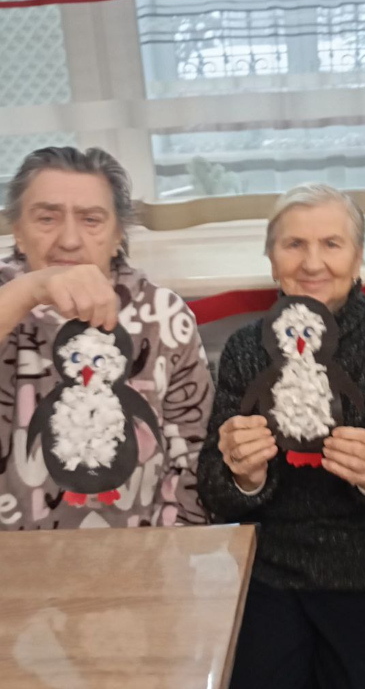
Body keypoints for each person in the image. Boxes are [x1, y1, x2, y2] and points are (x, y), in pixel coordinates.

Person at [197, 184, 365, 689]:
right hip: (271, 572)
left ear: (358, 256)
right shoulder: (246, 349)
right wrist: (245, 477)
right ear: (271, 258)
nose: (312, 263)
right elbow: (215, 492)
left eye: (331, 244)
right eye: (294, 245)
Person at [0, 146, 213, 530]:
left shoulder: (164, 317)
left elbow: (193, 462)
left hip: (143, 550)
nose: (69, 240)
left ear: (118, 235)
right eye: (46, 218)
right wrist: (31, 290)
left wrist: (171, 552)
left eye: (91, 220)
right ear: (17, 230)